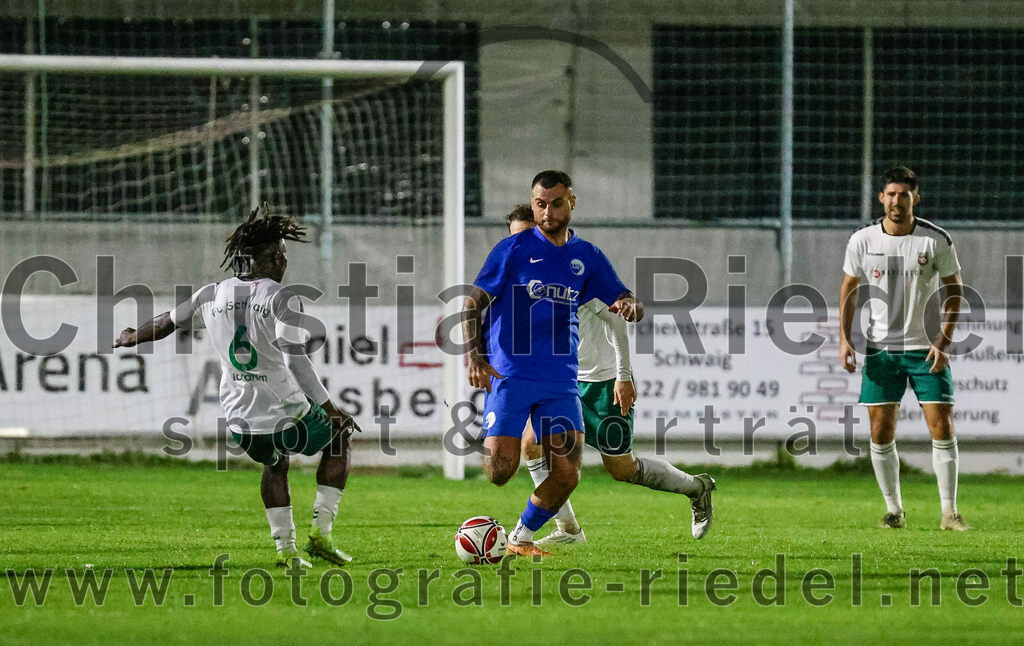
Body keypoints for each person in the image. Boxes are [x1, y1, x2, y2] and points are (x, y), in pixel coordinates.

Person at [114, 203, 361, 566]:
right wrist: (329, 408)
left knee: (275, 465)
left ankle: (286, 552)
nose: (285, 260)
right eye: (283, 253)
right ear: (275, 258)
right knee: (340, 437)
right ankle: (320, 536)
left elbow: (167, 322)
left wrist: (133, 337)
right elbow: (295, 358)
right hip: (287, 411)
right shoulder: (280, 298)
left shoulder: (210, 294)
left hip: (240, 418)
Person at [504, 205, 716, 544]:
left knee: (622, 469)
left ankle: (697, 488)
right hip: (564, 382)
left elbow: (617, 321)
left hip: (601, 381)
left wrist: (622, 376)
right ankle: (568, 530)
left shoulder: (575, 271)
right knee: (531, 444)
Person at [463, 170, 642, 557]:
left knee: (567, 473)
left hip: (561, 381)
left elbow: (624, 296)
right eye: (539, 204)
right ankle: (521, 530)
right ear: (533, 204)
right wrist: (475, 355)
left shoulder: (587, 256)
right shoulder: (511, 249)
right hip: (511, 373)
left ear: (571, 202)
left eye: (555, 203)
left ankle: (520, 537)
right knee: (499, 472)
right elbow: (471, 303)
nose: (546, 212)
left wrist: (631, 305)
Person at [838, 166, 967, 530]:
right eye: (891, 194)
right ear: (881, 197)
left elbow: (955, 292)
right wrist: (844, 338)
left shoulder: (935, 239)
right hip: (881, 350)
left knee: (941, 426)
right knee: (880, 432)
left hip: (926, 349)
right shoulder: (863, 240)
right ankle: (894, 511)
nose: (897, 201)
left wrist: (944, 341)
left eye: (904, 194)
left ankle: (949, 513)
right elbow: (849, 289)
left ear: (916, 198)